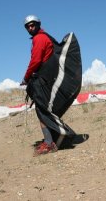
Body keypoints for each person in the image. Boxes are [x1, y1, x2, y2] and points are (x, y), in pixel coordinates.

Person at [21, 15, 77, 156]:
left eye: (33, 25)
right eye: (27, 26)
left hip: (43, 80)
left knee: (43, 112)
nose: (30, 28)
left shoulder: (39, 39)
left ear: (38, 24)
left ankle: (49, 143)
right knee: (46, 110)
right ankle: (57, 138)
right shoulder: (44, 37)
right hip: (46, 79)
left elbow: (36, 60)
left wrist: (26, 77)